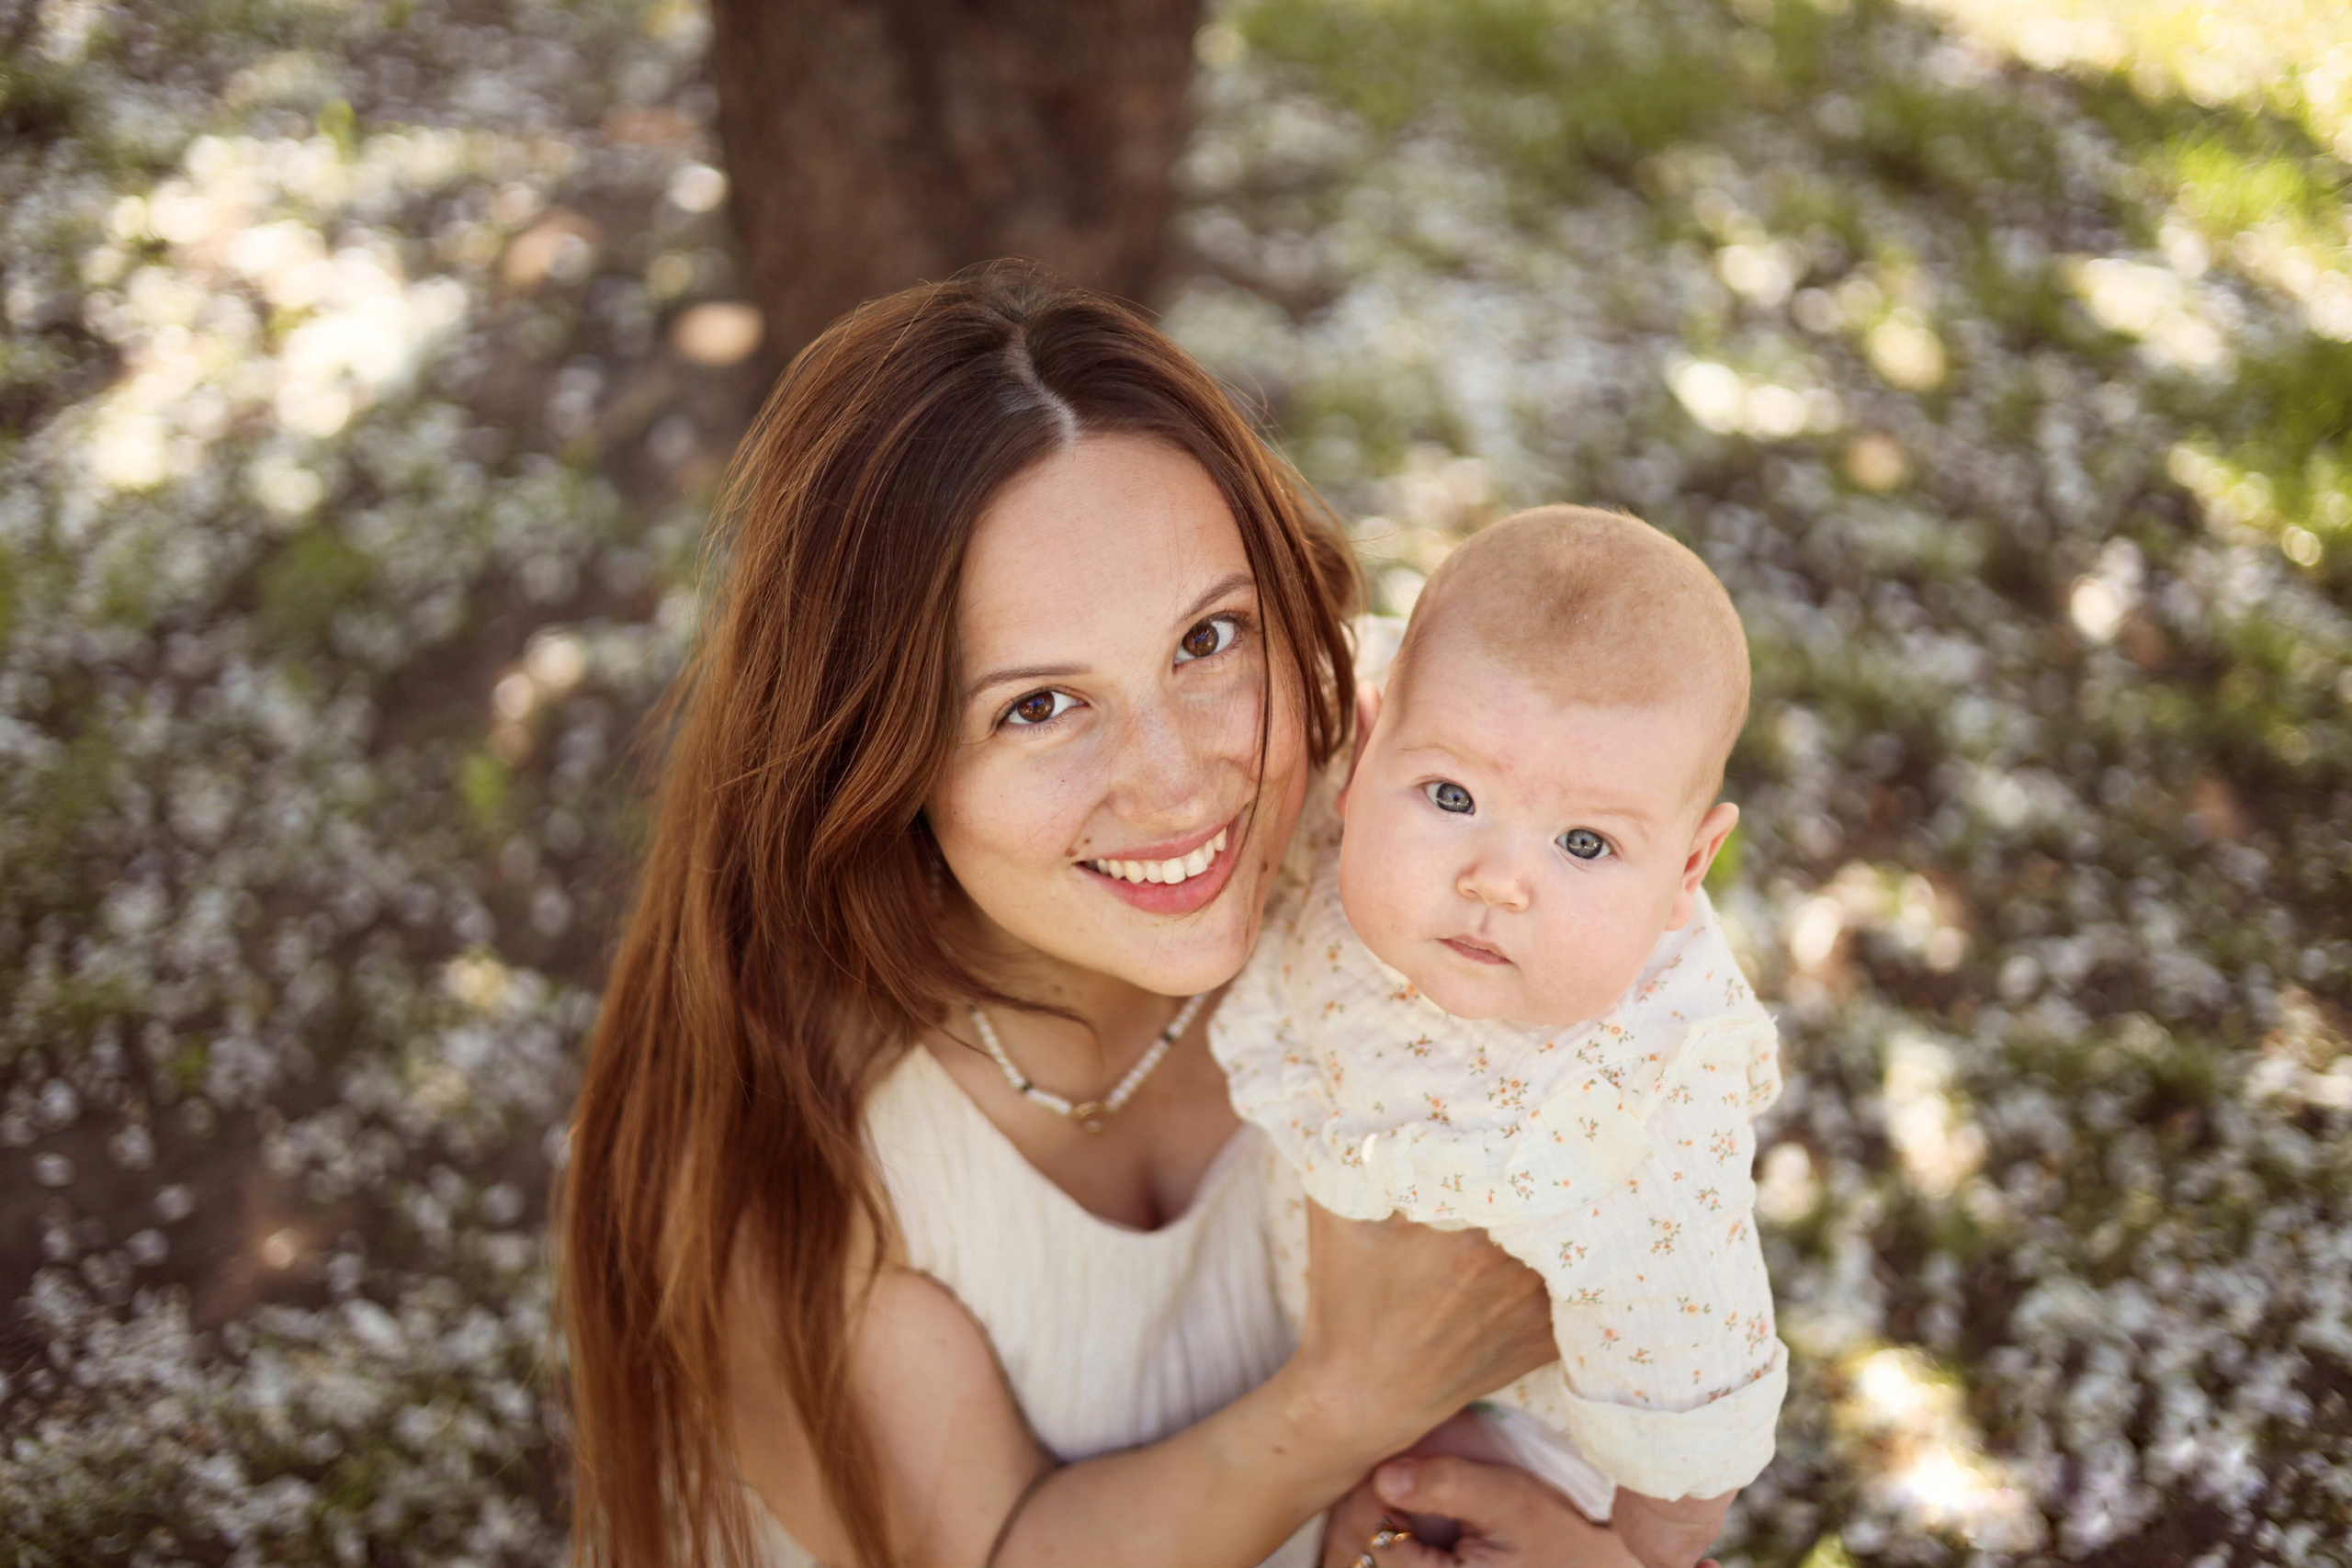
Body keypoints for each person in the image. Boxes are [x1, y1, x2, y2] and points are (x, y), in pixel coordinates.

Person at [557, 265, 1639, 1568]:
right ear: (878, 762)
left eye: (1208, 639)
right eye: (1037, 706)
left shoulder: (1402, 853)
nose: (1181, 782)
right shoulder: (796, 1147)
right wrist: (1353, 1400)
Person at [1215, 508, 1786, 1568]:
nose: (1496, 879)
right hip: (1300, 1364)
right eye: (1450, 794)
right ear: (1364, 751)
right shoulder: (1348, 829)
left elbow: (1690, 1334)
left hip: (1519, 1454)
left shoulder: (1632, 1087)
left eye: (1583, 843)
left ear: (1688, 871)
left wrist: (1646, 1540)